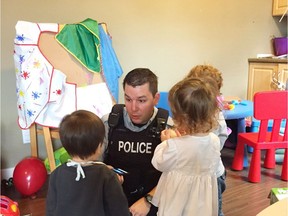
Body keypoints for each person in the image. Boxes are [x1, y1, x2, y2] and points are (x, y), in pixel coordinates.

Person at [101, 68, 173, 216]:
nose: (133, 108)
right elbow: (92, 164)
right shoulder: (109, 123)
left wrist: (148, 200)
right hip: (115, 199)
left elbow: (175, 177)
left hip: (154, 199)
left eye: (141, 101)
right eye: (128, 99)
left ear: (156, 98)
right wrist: (103, 171)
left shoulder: (168, 128)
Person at [151, 77, 221, 216]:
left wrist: (164, 142)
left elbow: (158, 163)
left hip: (176, 205)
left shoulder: (174, 146)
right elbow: (218, 171)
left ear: (181, 118)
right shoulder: (214, 140)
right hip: (202, 205)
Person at [46, 110, 130, 216]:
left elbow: (51, 209)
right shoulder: (107, 176)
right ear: (99, 146)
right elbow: (119, 211)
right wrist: (116, 184)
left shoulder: (56, 174)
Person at [185, 64, 228, 216]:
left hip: (212, 176)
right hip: (194, 174)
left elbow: (216, 145)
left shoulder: (215, 116)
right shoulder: (188, 112)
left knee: (213, 210)